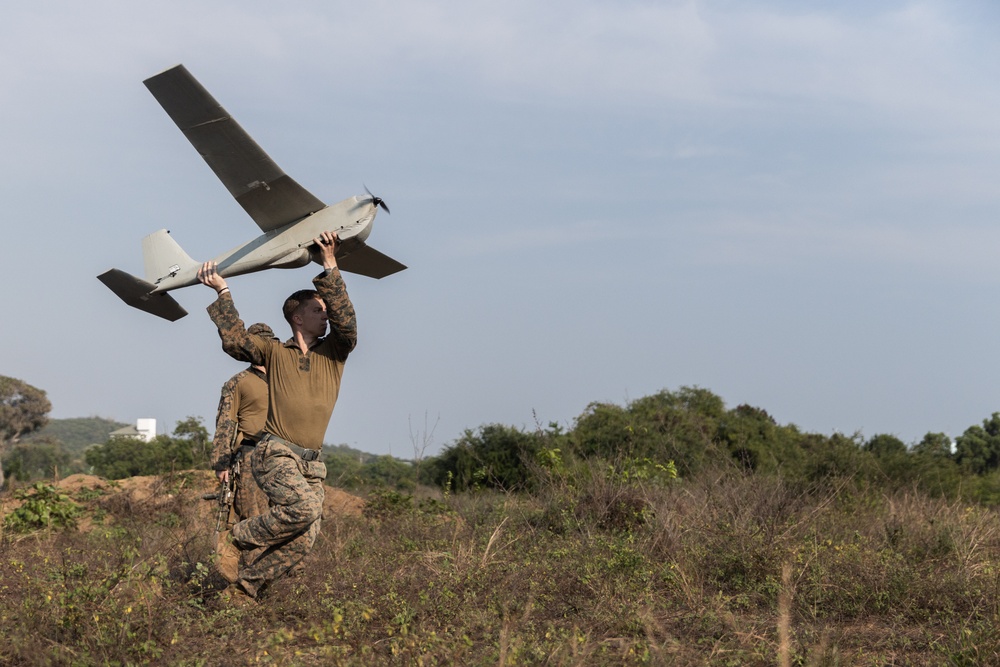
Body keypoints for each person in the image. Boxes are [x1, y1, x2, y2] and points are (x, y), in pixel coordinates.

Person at [197, 230, 356, 599]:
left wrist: (330, 265)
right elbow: (236, 341)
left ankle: (244, 591)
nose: (327, 316)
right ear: (297, 318)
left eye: (326, 310)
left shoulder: (336, 351)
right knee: (302, 507)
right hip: (275, 452)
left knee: (305, 536)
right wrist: (223, 292)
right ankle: (235, 539)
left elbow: (347, 322)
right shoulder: (273, 352)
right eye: (318, 310)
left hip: (312, 464)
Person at [210, 322, 276, 582]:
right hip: (250, 455)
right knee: (253, 517)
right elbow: (226, 422)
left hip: (284, 454)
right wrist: (221, 463)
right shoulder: (238, 382)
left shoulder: (286, 379)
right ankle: (247, 578)